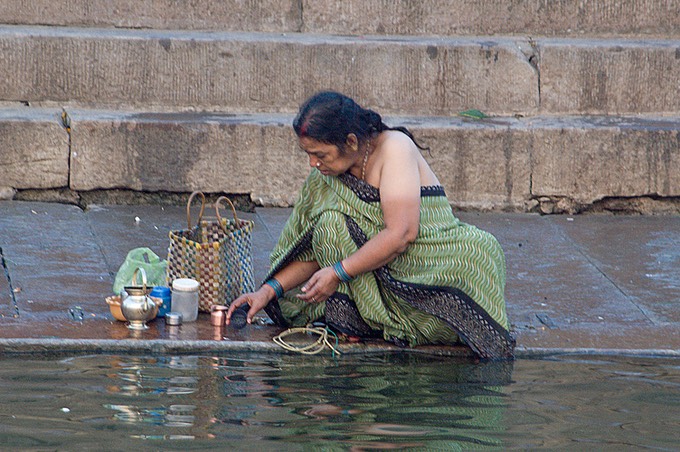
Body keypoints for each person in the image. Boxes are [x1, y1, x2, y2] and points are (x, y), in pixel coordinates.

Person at [227, 91, 515, 359]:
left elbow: (402, 233)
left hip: (427, 264)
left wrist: (339, 272)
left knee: (478, 253)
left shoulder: (395, 149)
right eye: (309, 155)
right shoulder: (326, 175)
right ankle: (355, 322)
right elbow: (317, 249)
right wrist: (267, 292)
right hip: (371, 279)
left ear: (351, 142)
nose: (313, 164)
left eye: (321, 155)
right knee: (329, 225)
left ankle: (412, 323)